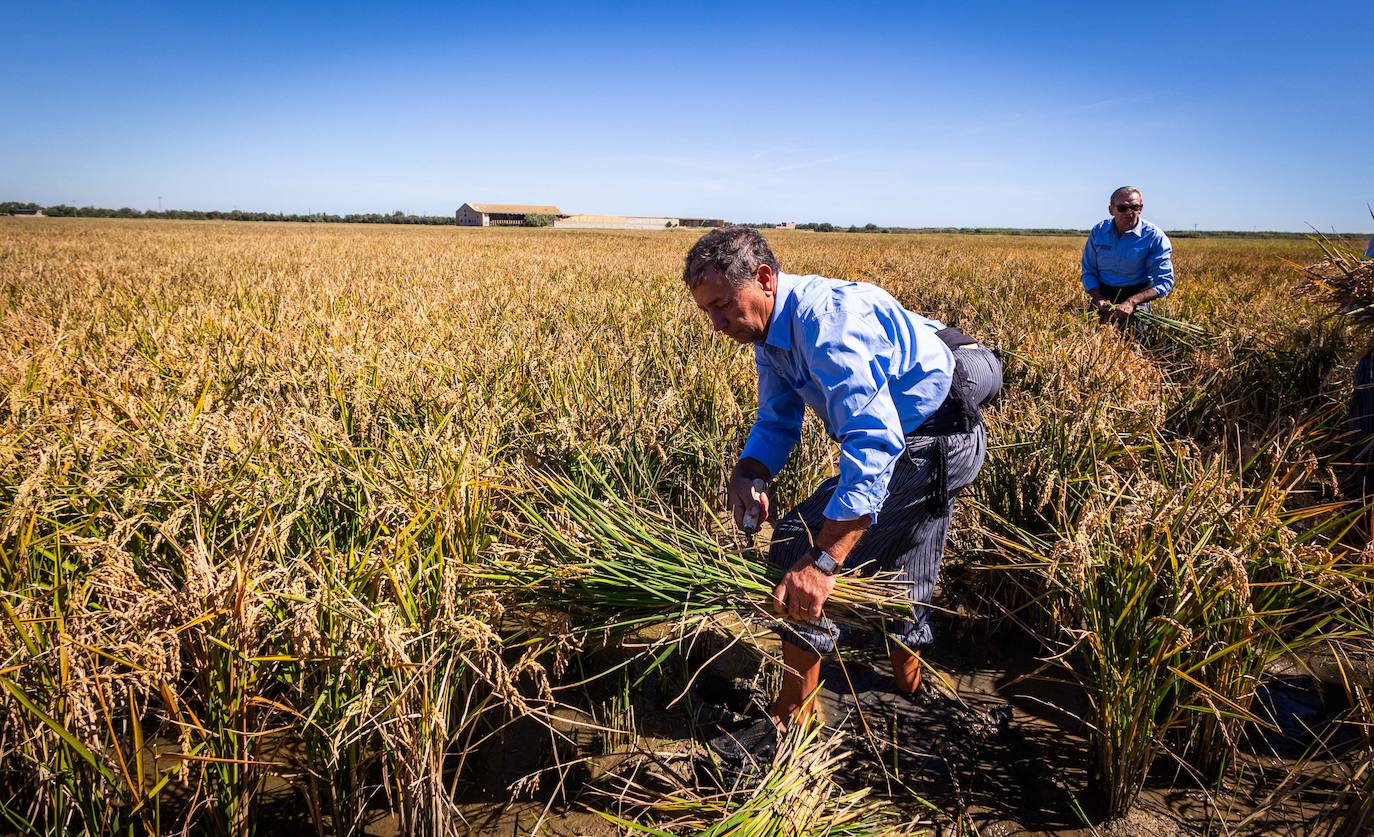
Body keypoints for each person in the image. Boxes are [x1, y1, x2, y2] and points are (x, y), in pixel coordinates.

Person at [682, 227, 1002, 738]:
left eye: (723, 305)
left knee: (795, 545)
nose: (718, 323)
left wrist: (826, 560)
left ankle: (793, 720)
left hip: (937, 439)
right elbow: (777, 421)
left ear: (764, 279)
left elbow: (873, 442)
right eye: (708, 313)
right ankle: (910, 690)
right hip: (926, 429)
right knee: (904, 565)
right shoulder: (770, 331)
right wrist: (749, 470)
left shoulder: (825, 326)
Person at [1080, 186, 1175, 327]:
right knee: (1089, 338)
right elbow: (1089, 271)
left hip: (1136, 295)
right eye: (1122, 208)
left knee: (1136, 343)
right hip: (1103, 294)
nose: (1129, 212)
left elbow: (1165, 281)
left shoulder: (1154, 236)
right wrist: (1098, 297)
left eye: (1134, 207)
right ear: (1111, 210)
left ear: (1140, 209)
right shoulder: (1099, 231)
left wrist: (1131, 302)